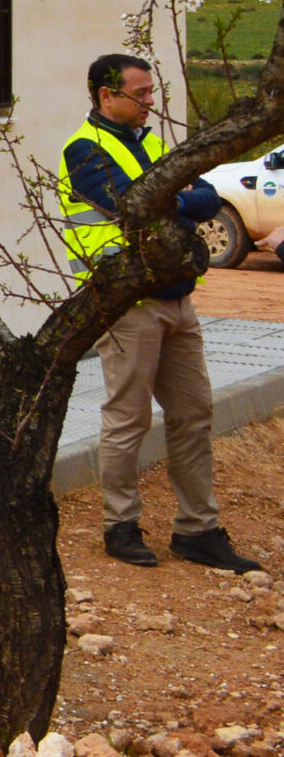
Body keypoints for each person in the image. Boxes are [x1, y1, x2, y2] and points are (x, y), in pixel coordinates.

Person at [60, 53, 262, 571]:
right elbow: (131, 204)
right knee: (128, 419)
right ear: (107, 96)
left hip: (176, 297)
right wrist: (179, 201)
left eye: (151, 91)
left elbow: (207, 196)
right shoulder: (85, 150)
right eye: (141, 93)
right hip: (129, 303)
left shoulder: (150, 142)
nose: (152, 100)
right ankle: (119, 526)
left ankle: (198, 530)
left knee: (194, 415)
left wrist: (177, 201)